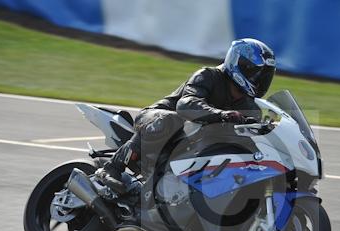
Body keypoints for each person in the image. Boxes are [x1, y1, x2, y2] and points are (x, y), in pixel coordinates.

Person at [98, 38, 276, 194]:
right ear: (239, 65)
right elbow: (186, 104)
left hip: (191, 142)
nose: (260, 80)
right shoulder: (208, 76)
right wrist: (221, 115)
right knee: (171, 120)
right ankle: (112, 168)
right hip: (156, 119)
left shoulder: (250, 106)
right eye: (256, 73)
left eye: (265, 76)